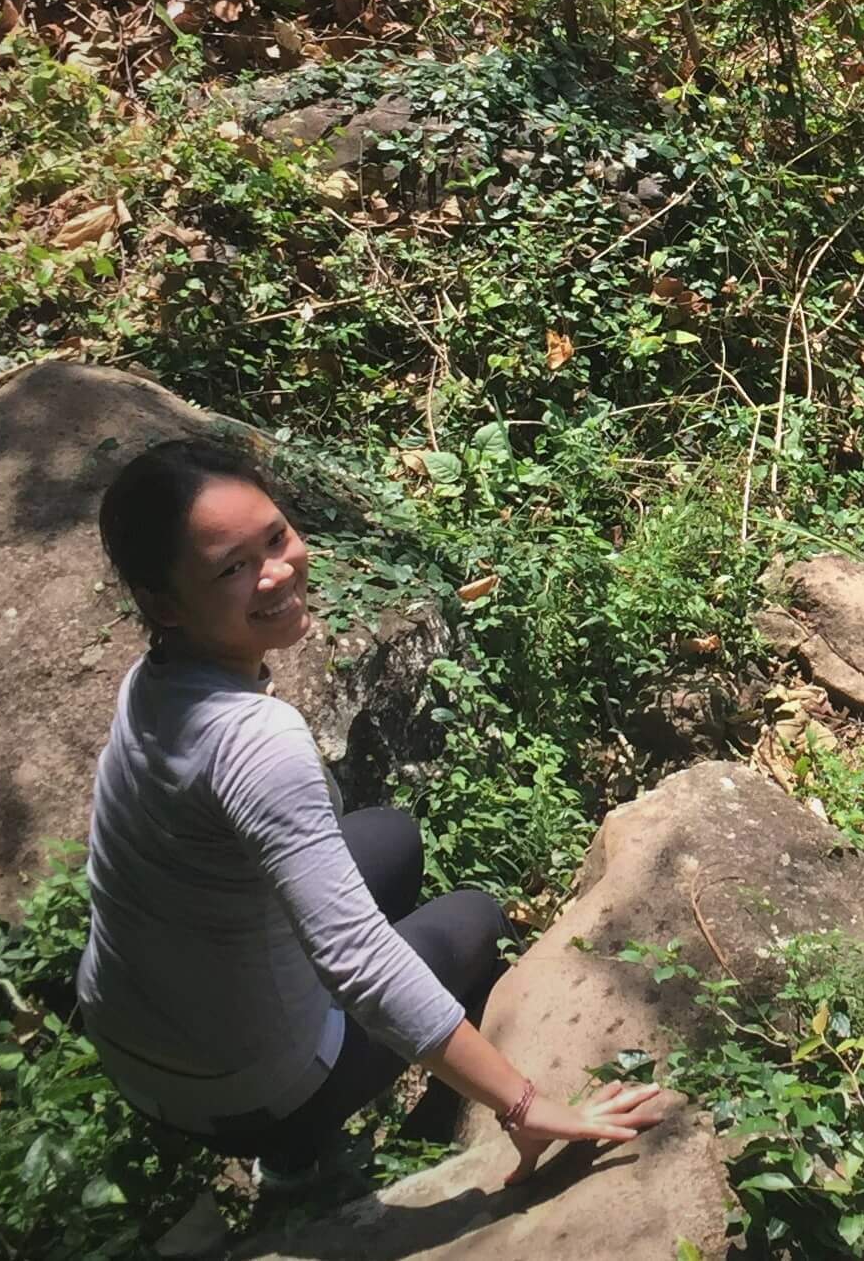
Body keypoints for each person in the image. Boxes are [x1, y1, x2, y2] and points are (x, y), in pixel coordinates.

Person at [77, 439, 669, 1187]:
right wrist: (525, 1103)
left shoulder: (152, 679)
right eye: (231, 568)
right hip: (244, 1092)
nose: (276, 571)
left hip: (132, 1034)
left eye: (276, 537)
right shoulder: (255, 744)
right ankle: (293, 1157)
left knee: (393, 835)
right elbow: (358, 959)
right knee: (475, 916)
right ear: (163, 602)